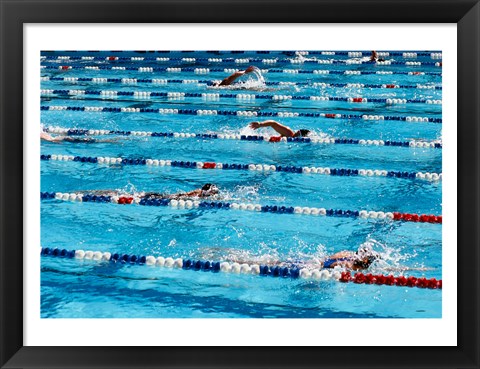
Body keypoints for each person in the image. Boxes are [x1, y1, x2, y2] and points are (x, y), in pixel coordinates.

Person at [74, 184, 220, 200]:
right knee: (133, 196)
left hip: (160, 196)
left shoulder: (193, 195)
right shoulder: (194, 195)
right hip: (158, 197)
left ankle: (107, 193)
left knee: (135, 195)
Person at [141, 183, 220, 200]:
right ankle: (141, 195)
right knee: (159, 197)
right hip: (177, 197)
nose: (213, 194)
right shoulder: (198, 192)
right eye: (212, 192)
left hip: (179, 196)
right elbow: (186, 194)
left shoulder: (205, 194)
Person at [41, 131, 118, 144]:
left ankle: (108, 140)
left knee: (91, 142)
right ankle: (109, 140)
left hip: (64, 139)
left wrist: (54, 141)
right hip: (63, 138)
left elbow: (51, 139)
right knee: (91, 141)